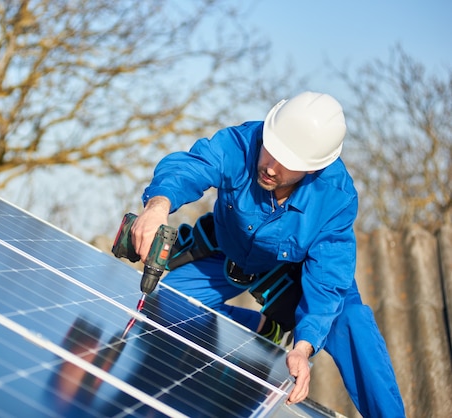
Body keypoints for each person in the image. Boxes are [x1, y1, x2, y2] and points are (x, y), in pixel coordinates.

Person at [130, 92, 405, 417]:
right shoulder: (242, 143)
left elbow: (327, 280)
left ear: (312, 167)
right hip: (229, 253)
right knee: (169, 305)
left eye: (287, 163)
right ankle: (263, 327)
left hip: (293, 273)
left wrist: (303, 349)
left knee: (350, 321)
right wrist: (158, 205)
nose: (271, 168)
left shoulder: (336, 197)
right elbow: (193, 165)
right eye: (270, 151)